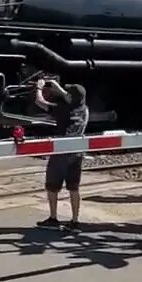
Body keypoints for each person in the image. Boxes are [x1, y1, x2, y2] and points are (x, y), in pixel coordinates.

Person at [33, 78, 89, 231]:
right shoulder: (84, 109)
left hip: (61, 151)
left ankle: (53, 218)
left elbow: (40, 102)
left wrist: (39, 88)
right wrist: (59, 88)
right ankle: (75, 221)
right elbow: (68, 96)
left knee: (52, 186)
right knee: (74, 188)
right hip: (77, 151)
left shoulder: (64, 109)